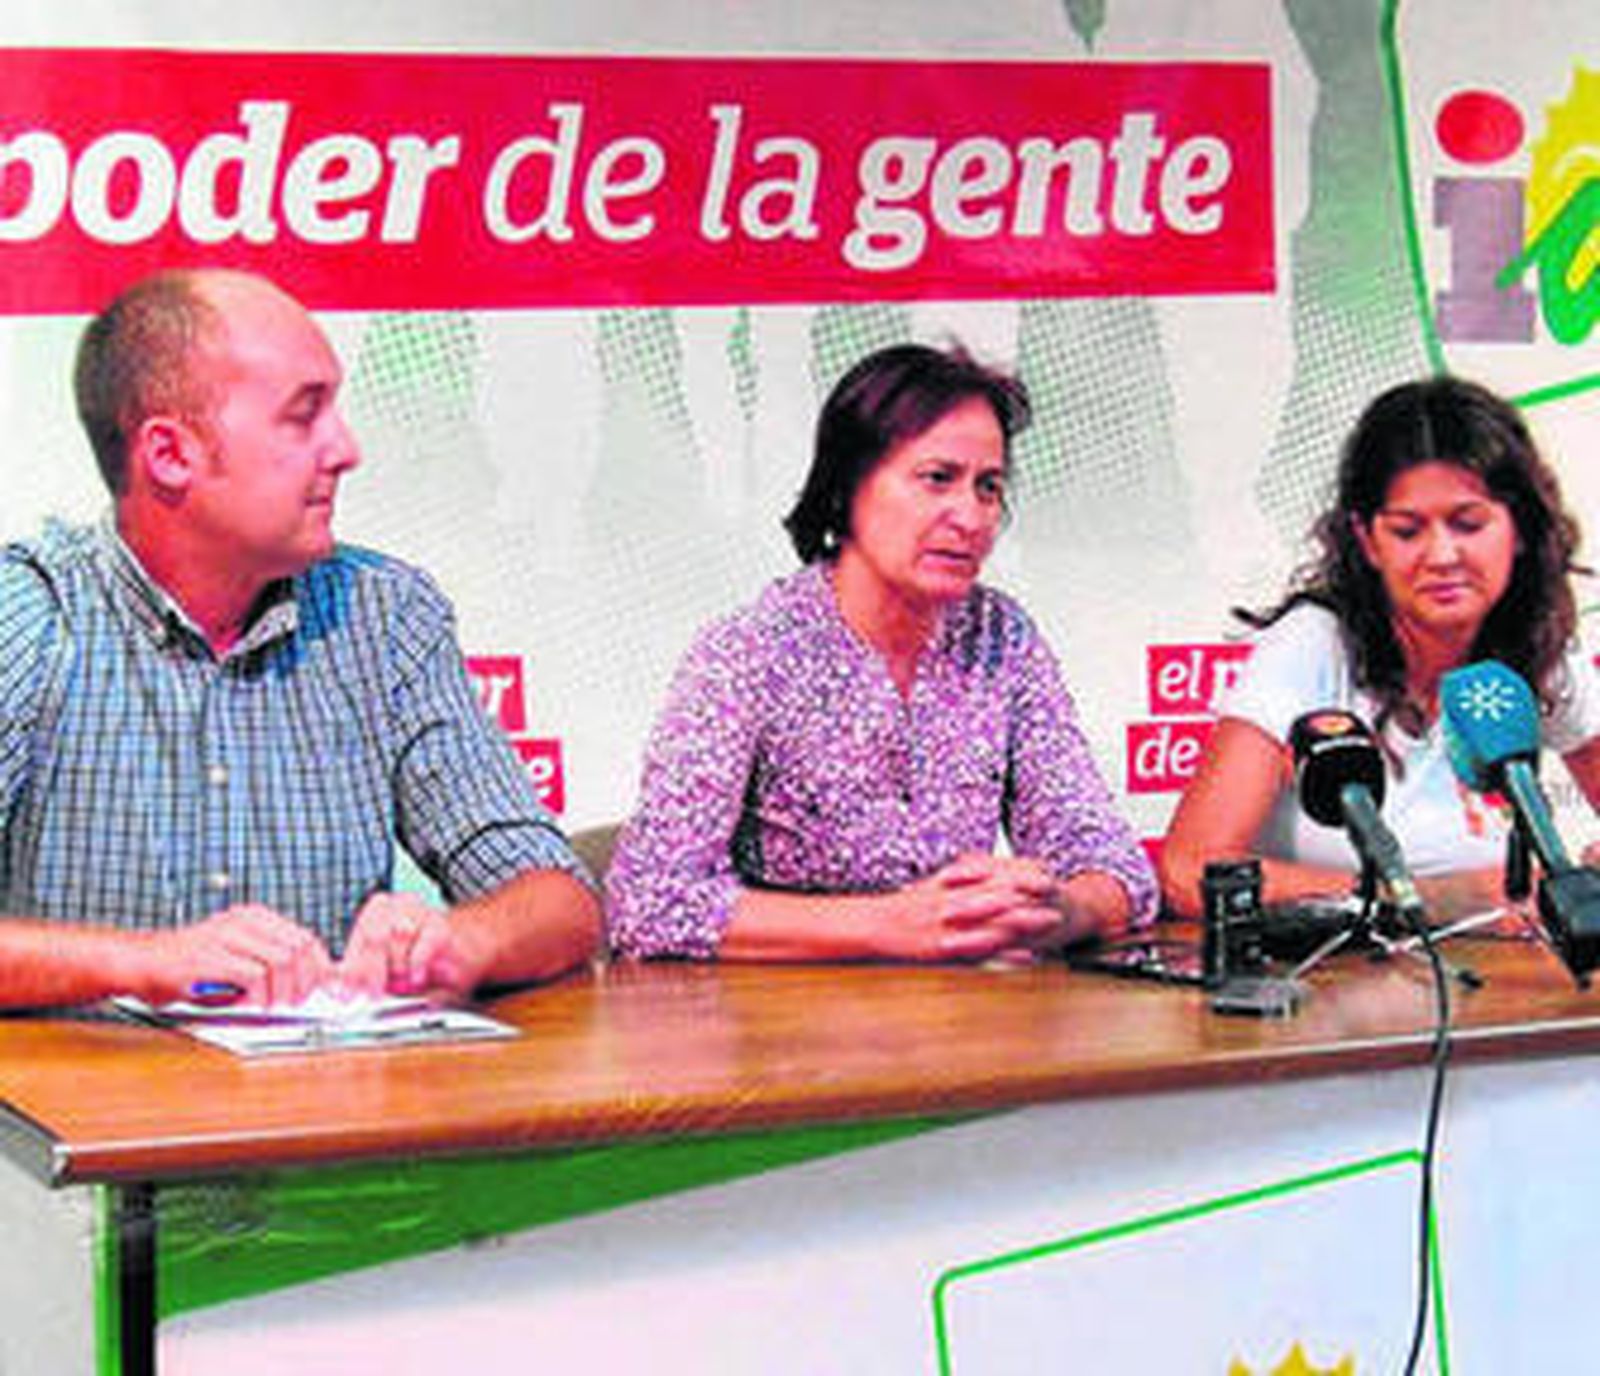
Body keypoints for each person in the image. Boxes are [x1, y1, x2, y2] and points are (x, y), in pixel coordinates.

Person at [0, 268, 600, 1009]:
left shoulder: (385, 616)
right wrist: (145, 964)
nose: (345, 448)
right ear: (170, 455)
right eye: (302, 416)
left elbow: (560, 900)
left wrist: (463, 942)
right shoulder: (31, 613)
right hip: (86, 1084)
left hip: (325, 1082)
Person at [606, 342, 1156, 962]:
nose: (971, 516)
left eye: (988, 487)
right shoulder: (750, 651)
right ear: (847, 486)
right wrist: (888, 925)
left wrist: (1052, 912)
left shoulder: (1001, 637)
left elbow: (1116, 867)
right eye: (938, 479)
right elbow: (648, 901)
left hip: (959, 1010)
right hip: (775, 1013)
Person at [1161, 376, 1600, 920]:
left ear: (1521, 529)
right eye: (1408, 531)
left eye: (1468, 525)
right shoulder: (1315, 644)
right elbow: (1188, 871)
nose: (1442, 555)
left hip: (1499, 970)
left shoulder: (1537, 642)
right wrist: (1432, 899)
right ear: (1367, 540)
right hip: (1334, 970)